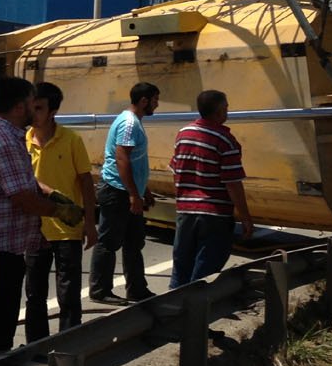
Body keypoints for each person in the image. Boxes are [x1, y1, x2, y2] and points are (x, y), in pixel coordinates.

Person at [0, 77, 57, 363]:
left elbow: (25, 185)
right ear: (19, 107)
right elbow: (22, 198)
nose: (35, 109)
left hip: (10, 245)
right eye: (32, 104)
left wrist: (51, 195)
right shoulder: (2, 140)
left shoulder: (14, 138)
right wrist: (57, 212)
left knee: (4, 320)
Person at [23, 82, 98, 342]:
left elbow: (87, 184)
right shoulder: (22, 141)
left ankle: (68, 346)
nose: (33, 113)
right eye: (31, 107)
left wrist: (90, 223)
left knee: (68, 293)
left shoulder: (72, 140)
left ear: (53, 111)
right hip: (33, 230)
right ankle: (36, 347)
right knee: (34, 294)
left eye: (39, 108)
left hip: (67, 230)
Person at [168, 89, 254, 288]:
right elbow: (233, 183)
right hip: (214, 215)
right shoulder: (225, 140)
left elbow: (175, 170)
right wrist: (245, 217)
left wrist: (182, 199)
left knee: (182, 266)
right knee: (206, 272)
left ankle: (171, 310)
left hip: (185, 211)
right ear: (218, 112)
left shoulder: (184, 134)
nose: (228, 112)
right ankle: (194, 313)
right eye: (226, 108)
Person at [89, 82, 160, 304]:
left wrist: (143, 189)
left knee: (134, 242)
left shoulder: (134, 122)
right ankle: (100, 290)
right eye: (155, 100)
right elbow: (122, 158)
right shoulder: (129, 123)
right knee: (109, 242)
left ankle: (137, 289)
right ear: (144, 101)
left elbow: (135, 161)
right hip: (117, 191)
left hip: (128, 190)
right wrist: (133, 195)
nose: (157, 105)